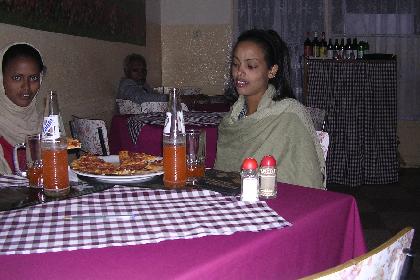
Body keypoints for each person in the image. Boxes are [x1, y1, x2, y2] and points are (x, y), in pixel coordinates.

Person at [214, 29, 325, 189]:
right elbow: (222, 176)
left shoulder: (289, 116)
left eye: (251, 66)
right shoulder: (233, 117)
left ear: (272, 71)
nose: (239, 72)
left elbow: (306, 177)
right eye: (236, 64)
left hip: (280, 203)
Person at [0, 43, 45, 174]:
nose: (26, 87)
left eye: (34, 78)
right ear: (1, 79)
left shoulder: (46, 124)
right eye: (17, 78)